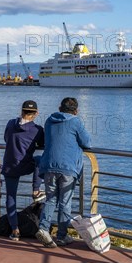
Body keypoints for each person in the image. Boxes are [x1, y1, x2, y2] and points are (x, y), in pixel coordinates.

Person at [35, 97, 91, 248]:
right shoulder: (76, 121)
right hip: (68, 167)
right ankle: (61, 235)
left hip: (49, 165)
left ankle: (43, 229)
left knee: (50, 199)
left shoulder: (49, 121)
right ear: (76, 110)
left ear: (60, 108)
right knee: (65, 202)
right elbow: (87, 142)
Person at [1, 100, 45, 241]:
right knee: (39, 160)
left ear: (21, 111)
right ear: (36, 113)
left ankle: (15, 230)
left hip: (10, 165)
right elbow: (42, 144)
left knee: (11, 197)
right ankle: (36, 189)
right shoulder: (37, 130)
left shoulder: (10, 124)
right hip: (25, 165)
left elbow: (6, 138)